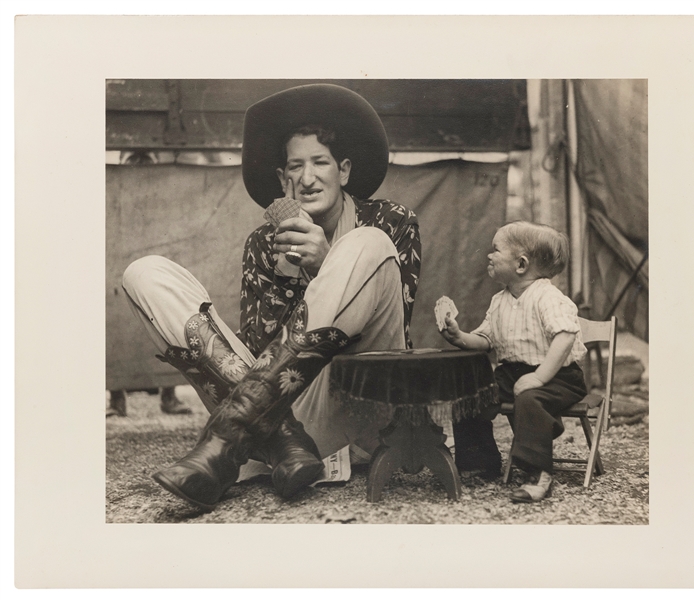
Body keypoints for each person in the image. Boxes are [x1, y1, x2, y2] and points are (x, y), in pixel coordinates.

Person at [121, 84, 421, 510]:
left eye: (320, 162)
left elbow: (396, 322)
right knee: (145, 273)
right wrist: (287, 277)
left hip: (359, 399)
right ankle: (285, 443)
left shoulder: (392, 221)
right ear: (283, 181)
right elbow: (256, 356)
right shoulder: (264, 243)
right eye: (295, 166)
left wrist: (324, 264)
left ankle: (228, 439)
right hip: (285, 411)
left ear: (345, 171)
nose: (307, 176)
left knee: (367, 243)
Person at [440, 221, 586, 503]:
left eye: (496, 250)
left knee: (530, 398)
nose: (489, 255)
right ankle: (479, 461)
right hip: (513, 373)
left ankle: (538, 472)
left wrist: (540, 377)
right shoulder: (499, 301)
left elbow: (565, 336)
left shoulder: (548, 297)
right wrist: (459, 336)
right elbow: (485, 340)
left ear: (521, 264)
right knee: (473, 394)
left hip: (558, 375)